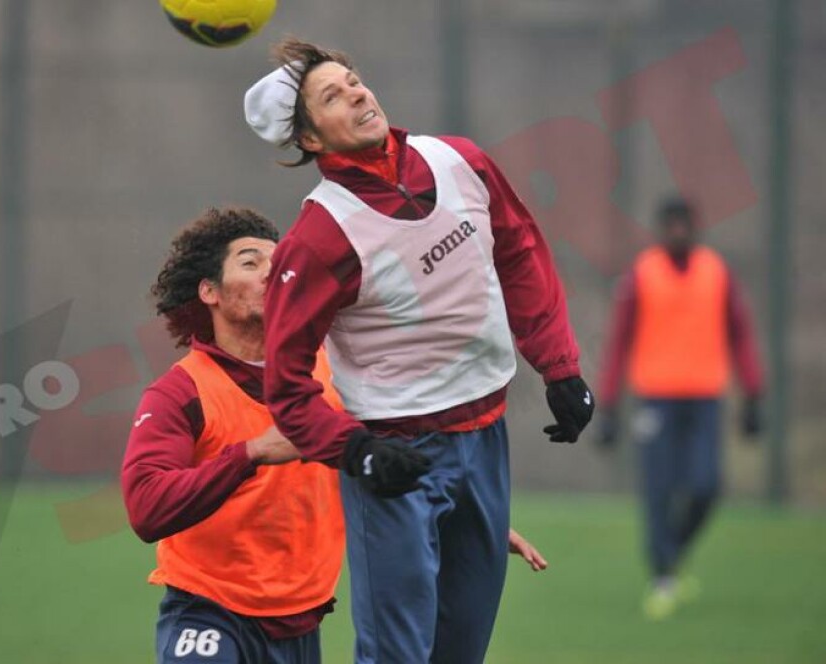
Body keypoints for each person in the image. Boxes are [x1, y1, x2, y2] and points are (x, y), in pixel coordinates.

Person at [243, 39, 592, 664]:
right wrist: (357, 452)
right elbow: (287, 384)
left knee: (461, 652)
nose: (355, 92)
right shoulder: (320, 236)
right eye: (331, 95)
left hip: (486, 443)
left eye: (352, 80)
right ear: (312, 141)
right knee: (397, 656)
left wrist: (560, 368)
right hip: (395, 458)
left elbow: (520, 253)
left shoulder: (461, 160)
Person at [121, 207, 550, 664]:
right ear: (209, 291)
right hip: (208, 616)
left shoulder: (333, 371)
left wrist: (454, 512)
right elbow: (146, 507)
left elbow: (382, 463)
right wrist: (250, 454)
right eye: (250, 262)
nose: (272, 273)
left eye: (277, 261)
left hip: (302, 624)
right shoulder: (182, 390)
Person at [596, 196, 764, 620]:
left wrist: (753, 393)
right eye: (670, 225)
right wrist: (609, 405)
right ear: (660, 230)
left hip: (706, 398)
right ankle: (663, 577)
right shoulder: (642, 274)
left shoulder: (717, 272)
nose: (678, 233)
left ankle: (673, 551)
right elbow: (619, 341)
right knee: (659, 489)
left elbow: (740, 333)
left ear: (695, 228)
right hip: (656, 398)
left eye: (684, 225)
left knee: (707, 486)